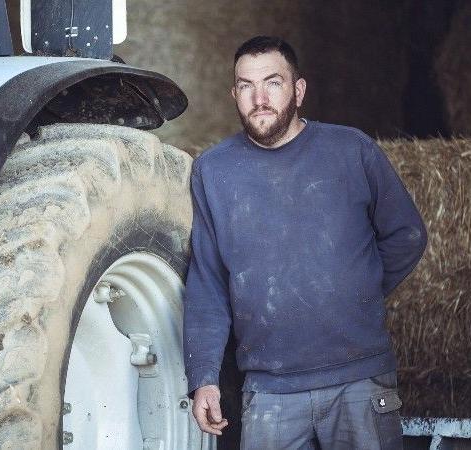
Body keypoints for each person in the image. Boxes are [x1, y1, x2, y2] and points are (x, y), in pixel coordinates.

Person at [183, 36, 427, 449]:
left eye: (272, 83)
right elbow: (207, 284)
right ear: (233, 94)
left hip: (358, 379)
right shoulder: (213, 171)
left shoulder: (352, 150)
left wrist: (354, 291)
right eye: (245, 86)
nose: (258, 98)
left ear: (298, 90)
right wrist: (203, 378)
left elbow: (407, 235)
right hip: (270, 390)